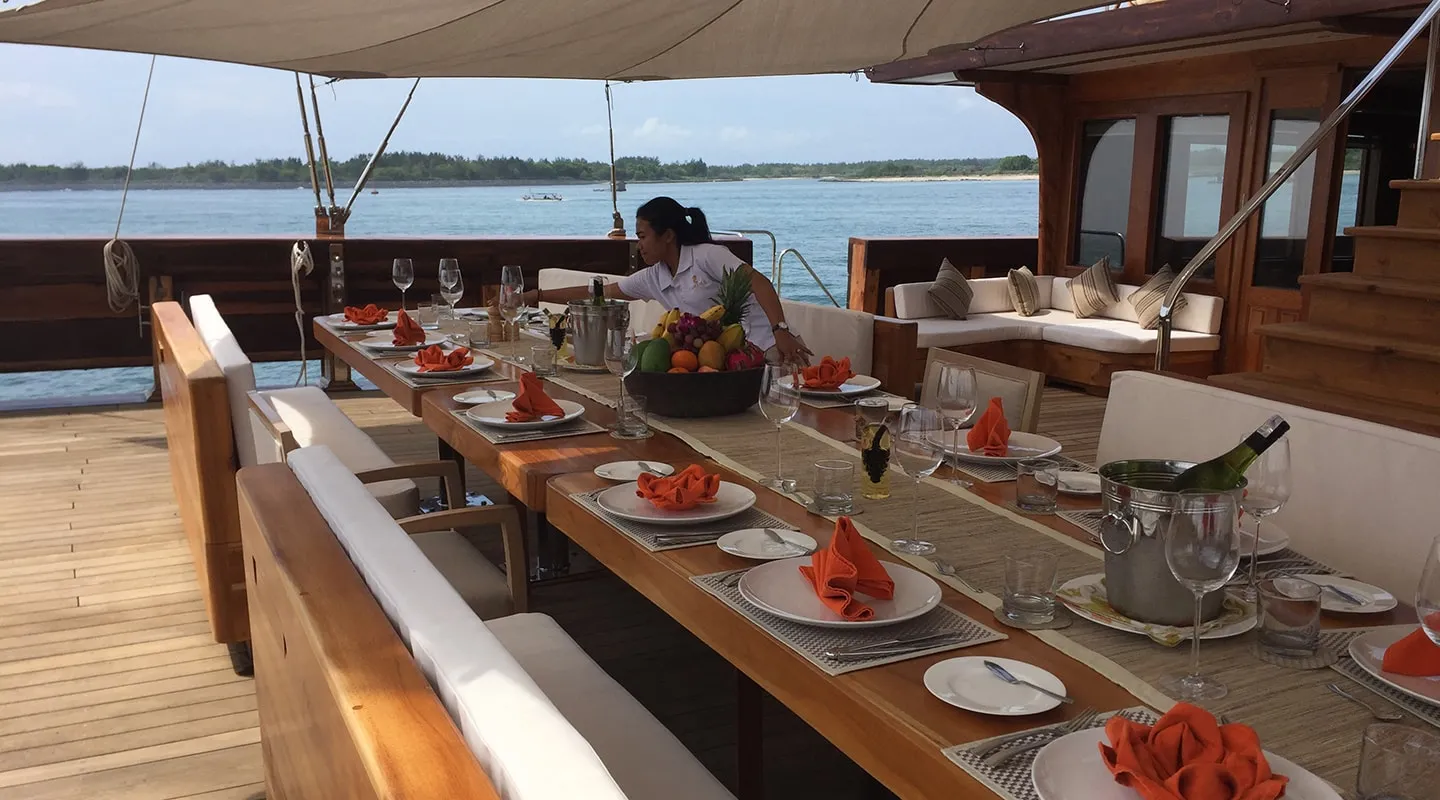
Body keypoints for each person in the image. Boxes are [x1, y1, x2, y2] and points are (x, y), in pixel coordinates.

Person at [522, 197, 813, 365]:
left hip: (771, 354)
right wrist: (535, 295)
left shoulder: (708, 256)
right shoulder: (654, 276)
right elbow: (598, 291)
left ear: (669, 235)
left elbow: (760, 283)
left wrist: (781, 330)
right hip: (720, 367)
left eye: (643, 236)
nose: (640, 246)